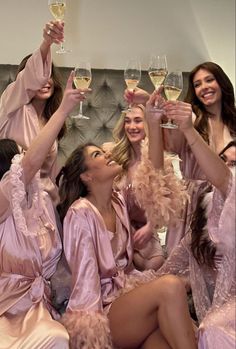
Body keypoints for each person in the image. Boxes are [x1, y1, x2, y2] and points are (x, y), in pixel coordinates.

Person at [56, 121, 194, 348]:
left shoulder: (119, 200)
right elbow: (84, 281)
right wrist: (92, 335)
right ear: (86, 176)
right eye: (98, 154)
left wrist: (152, 117)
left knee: (164, 341)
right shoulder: (80, 214)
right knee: (171, 286)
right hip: (101, 311)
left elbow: (157, 184)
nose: (108, 153)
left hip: (126, 295)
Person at [139, 91, 235, 349]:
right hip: (191, 302)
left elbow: (226, 180)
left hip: (222, 313)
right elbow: (158, 184)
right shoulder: (201, 195)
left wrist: (189, 130)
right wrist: (152, 122)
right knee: (153, 342)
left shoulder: (229, 188)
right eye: (223, 160)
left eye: (235, 163)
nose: (229, 168)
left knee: (211, 330)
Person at [0, 72, 86, 349]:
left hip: (37, 304)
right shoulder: (2, 201)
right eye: (19, 156)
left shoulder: (42, 208)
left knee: (58, 336)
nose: (27, 158)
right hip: (5, 304)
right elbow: (30, 166)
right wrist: (64, 110)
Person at [124, 62, 236, 255]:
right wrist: (153, 115)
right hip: (195, 207)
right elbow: (157, 160)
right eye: (197, 84)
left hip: (230, 205)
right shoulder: (189, 120)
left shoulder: (233, 124)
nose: (204, 87)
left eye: (209, 80)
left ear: (222, 83)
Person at [0, 20, 72, 204]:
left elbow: (50, 174)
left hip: (45, 204)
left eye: (49, 76)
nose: (44, 81)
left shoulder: (52, 120)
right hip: (12, 201)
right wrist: (47, 43)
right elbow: (30, 79)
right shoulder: (11, 105)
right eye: (40, 76)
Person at [103, 104, 165, 271]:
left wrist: (149, 228)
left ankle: (129, 259)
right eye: (127, 121)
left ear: (148, 125)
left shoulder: (159, 161)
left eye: (138, 121)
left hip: (143, 232)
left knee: (154, 264)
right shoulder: (114, 156)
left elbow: (164, 204)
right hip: (115, 228)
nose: (131, 127)